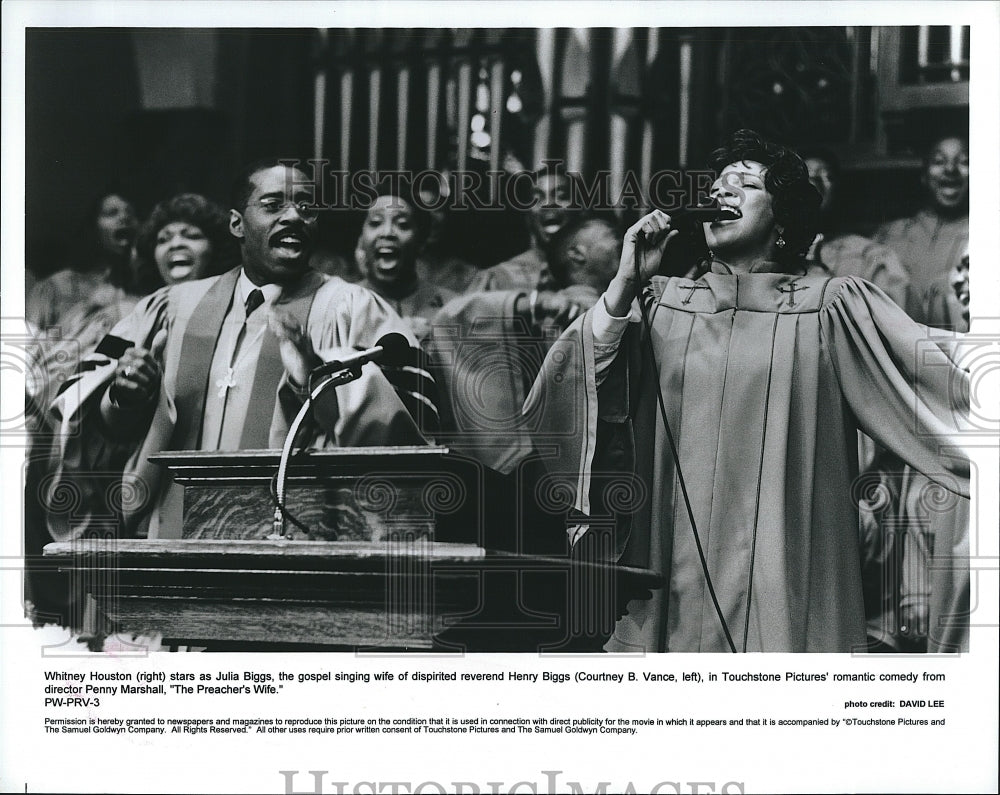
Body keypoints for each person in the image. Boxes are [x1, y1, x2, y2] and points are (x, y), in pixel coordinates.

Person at [525, 129, 970, 653]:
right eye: (719, 182)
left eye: (747, 183)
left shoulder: (831, 308)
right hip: (672, 572)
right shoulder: (660, 303)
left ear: (783, 216)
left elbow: (940, 383)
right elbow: (566, 392)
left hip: (784, 570)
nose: (724, 191)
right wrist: (622, 286)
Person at [46, 159, 436, 543]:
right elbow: (85, 420)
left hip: (300, 542)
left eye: (307, 207)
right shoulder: (170, 308)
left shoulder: (355, 308)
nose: (294, 217)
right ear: (237, 223)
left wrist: (318, 380)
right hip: (170, 539)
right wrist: (123, 400)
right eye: (273, 206)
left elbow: (409, 438)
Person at [875, 134, 969, 321]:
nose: (950, 169)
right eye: (939, 161)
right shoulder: (889, 235)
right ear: (924, 175)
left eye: (964, 161)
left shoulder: (988, 236)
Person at [801, 148, 910, 309]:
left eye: (826, 176)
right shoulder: (767, 254)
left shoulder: (872, 257)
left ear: (839, 189)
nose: (814, 183)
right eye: (804, 177)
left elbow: (894, 324)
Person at [27, 192, 138, 333]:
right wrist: (88, 309)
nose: (124, 217)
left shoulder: (143, 292)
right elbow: (30, 342)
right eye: (111, 213)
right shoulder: (58, 286)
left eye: (131, 213)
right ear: (93, 229)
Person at [355, 190, 457, 342]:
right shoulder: (341, 307)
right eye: (375, 222)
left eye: (402, 224)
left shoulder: (452, 308)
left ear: (420, 241)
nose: (387, 232)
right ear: (361, 239)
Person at [467, 168, 585, 292]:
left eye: (561, 196)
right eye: (537, 198)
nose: (548, 204)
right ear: (528, 216)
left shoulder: (599, 274)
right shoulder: (498, 278)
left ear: (581, 210)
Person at [132, 193, 240, 294]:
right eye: (163, 239)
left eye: (192, 236)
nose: (175, 244)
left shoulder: (239, 306)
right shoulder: (144, 311)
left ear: (217, 250)